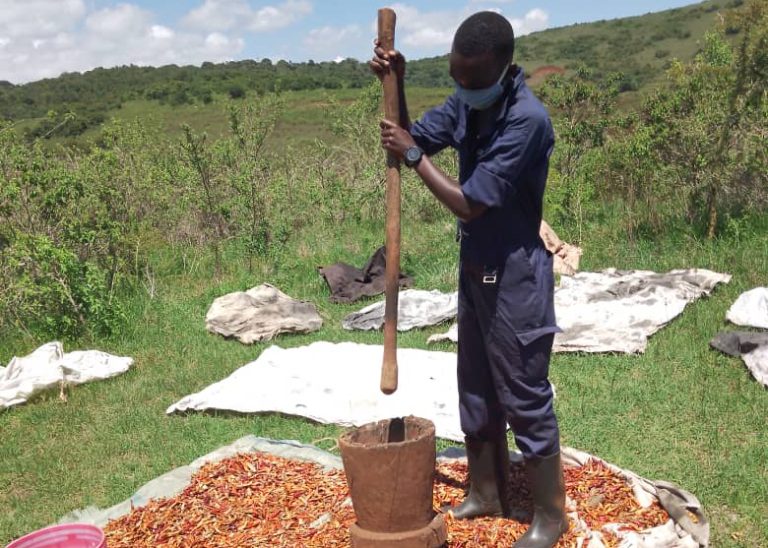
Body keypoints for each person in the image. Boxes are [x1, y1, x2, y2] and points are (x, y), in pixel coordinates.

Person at [370, 11, 567, 548]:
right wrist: (398, 87)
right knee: (476, 385)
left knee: (523, 392)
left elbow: (471, 201)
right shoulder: (468, 99)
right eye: (456, 78)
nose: (463, 88)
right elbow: (418, 138)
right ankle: (487, 492)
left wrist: (409, 156)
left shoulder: (527, 120)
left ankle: (550, 516)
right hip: (475, 268)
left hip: (516, 275)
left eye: (472, 80)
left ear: (502, 69)